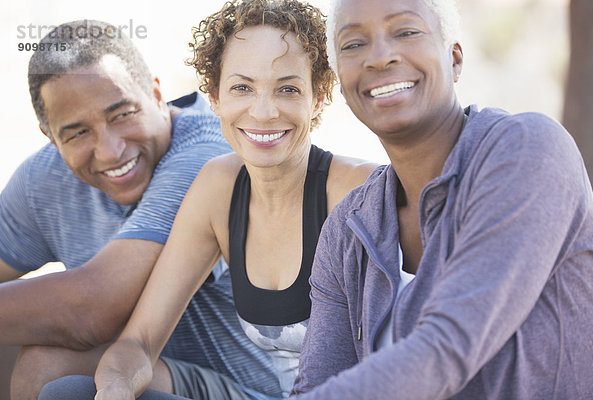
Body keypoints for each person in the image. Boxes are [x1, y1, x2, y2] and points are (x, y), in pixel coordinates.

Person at [38, 0, 378, 399]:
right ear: (214, 96)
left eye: (287, 88)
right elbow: (139, 343)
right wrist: (115, 388)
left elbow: (411, 358)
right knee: (69, 391)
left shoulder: (359, 193)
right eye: (241, 88)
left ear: (318, 97)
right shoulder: (219, 186)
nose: (264, 111)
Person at [289, 0, 593, 399]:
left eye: (405, 31)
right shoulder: (348, 229)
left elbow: (445, 350)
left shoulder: (528, 151)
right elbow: (315, 386)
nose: (380, 57)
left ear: (454, 59)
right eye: (353, 44)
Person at [0, 19, 283, 400]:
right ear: (50, 136)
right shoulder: (42, 180)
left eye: (121, 115)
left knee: (47, 369)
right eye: (77, 132)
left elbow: (93, 309)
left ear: (155, 94)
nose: (111, 150)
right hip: (141, 369)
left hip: (254, 391)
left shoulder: (210, 157)